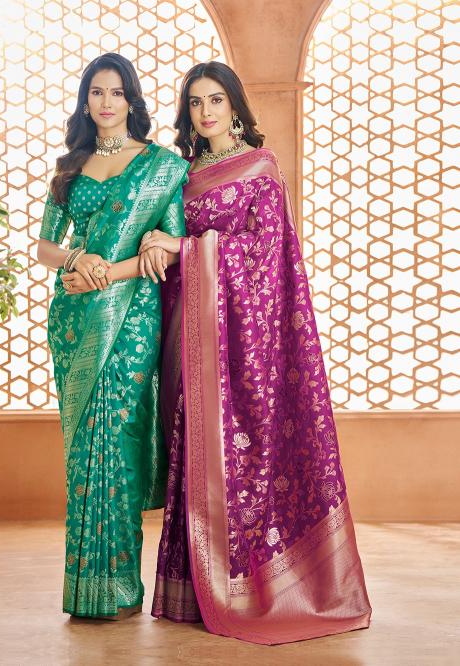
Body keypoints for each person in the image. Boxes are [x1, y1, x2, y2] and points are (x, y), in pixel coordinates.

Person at [139, 61, 371, 644]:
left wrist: (183, 247)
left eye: (216, 100)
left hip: (247, 341)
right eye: (195, 103)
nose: (206, 112)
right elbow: (161, 237)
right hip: (191, 339)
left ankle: (253, 585)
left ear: (235, 106)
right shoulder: (182, 174)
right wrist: (156, 243)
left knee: (244, 455)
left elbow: (264, 253)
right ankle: (194, 587)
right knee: (196, 448)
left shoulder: (261, 169)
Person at [37, 53, 188, 619]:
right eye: (96, 92)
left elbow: (171, 246)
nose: (105, 102)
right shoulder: (70, 166)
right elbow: (45, 247)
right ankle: (85, 589)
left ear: (131, 100)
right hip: (74, 317)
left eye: (116, 92)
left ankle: (121, 586)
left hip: (131, 318)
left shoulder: (161, 167)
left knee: (119, 439)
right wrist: (79, 258)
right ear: (85, 103)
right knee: (83, 450)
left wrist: (114, 268)